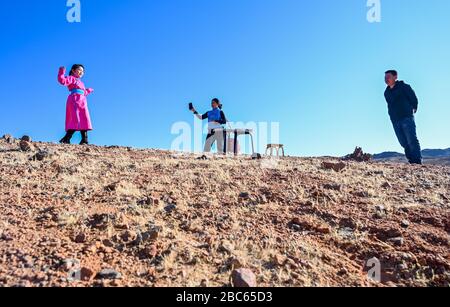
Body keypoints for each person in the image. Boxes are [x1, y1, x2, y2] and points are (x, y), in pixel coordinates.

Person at [384, 70, 422, 164]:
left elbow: (413, 97)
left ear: (395, 77)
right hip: (395, 119)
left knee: (411, 139)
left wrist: (414, 107)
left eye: (388, 77)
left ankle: (417, 161)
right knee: (403, 142)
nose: (386, 79)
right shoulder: (386, 92)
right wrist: (391, 116)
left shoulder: (404, 87)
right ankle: (411, 161)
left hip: (406, 116)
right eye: (385, 77)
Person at [58, 65, 94, 145]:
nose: (81, 72)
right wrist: (61, 72)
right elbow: (62, 81)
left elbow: (84, 92)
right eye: (79, 70)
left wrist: (88, 90)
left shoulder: (81, 82)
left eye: (83, 71)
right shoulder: (71, 78)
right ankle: (67, 138)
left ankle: (84, 139)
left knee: (84, 119)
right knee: (75, 119)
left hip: (82, 100)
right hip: (74, 99)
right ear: (73, 70)